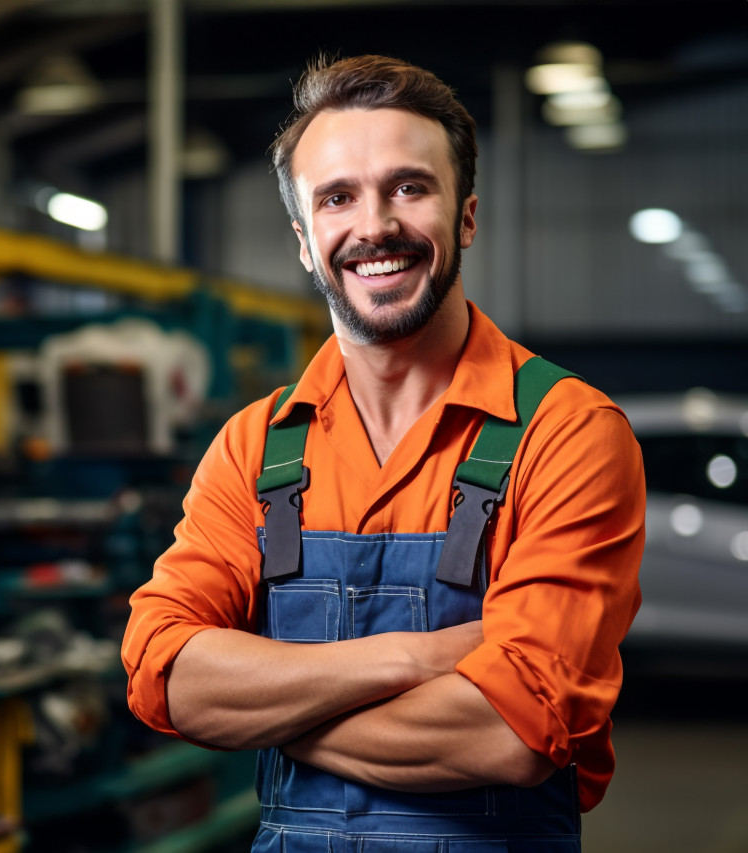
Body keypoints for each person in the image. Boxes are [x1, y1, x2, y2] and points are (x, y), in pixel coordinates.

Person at [121, 54, 645, 852]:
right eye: (337, 197)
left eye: (409, 186)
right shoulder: (255, 447)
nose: (374, 226)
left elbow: (513, 730)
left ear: (465, 217)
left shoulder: (566, 433)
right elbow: (166, 671)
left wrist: (281, 718)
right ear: (304, 241)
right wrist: (415, 658)